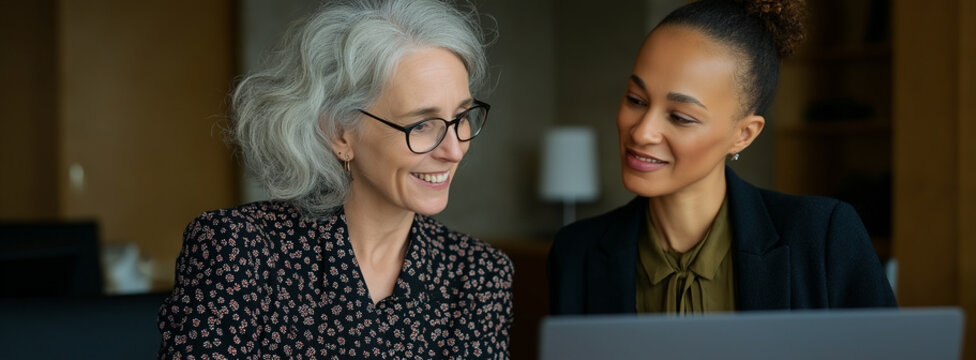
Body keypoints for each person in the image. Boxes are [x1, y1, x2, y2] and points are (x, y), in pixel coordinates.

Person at [157, 1, 513, 358]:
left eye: (462, 117)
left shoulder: (478, 273)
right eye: (421, 125)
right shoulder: (240, 249)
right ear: (339, 133)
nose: (454, 150)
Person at [547, 0, 896, 315]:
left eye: (680, 117)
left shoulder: (823, 238)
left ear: (743, 134)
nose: (641, 132)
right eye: (636, 99)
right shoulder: (576, 253)